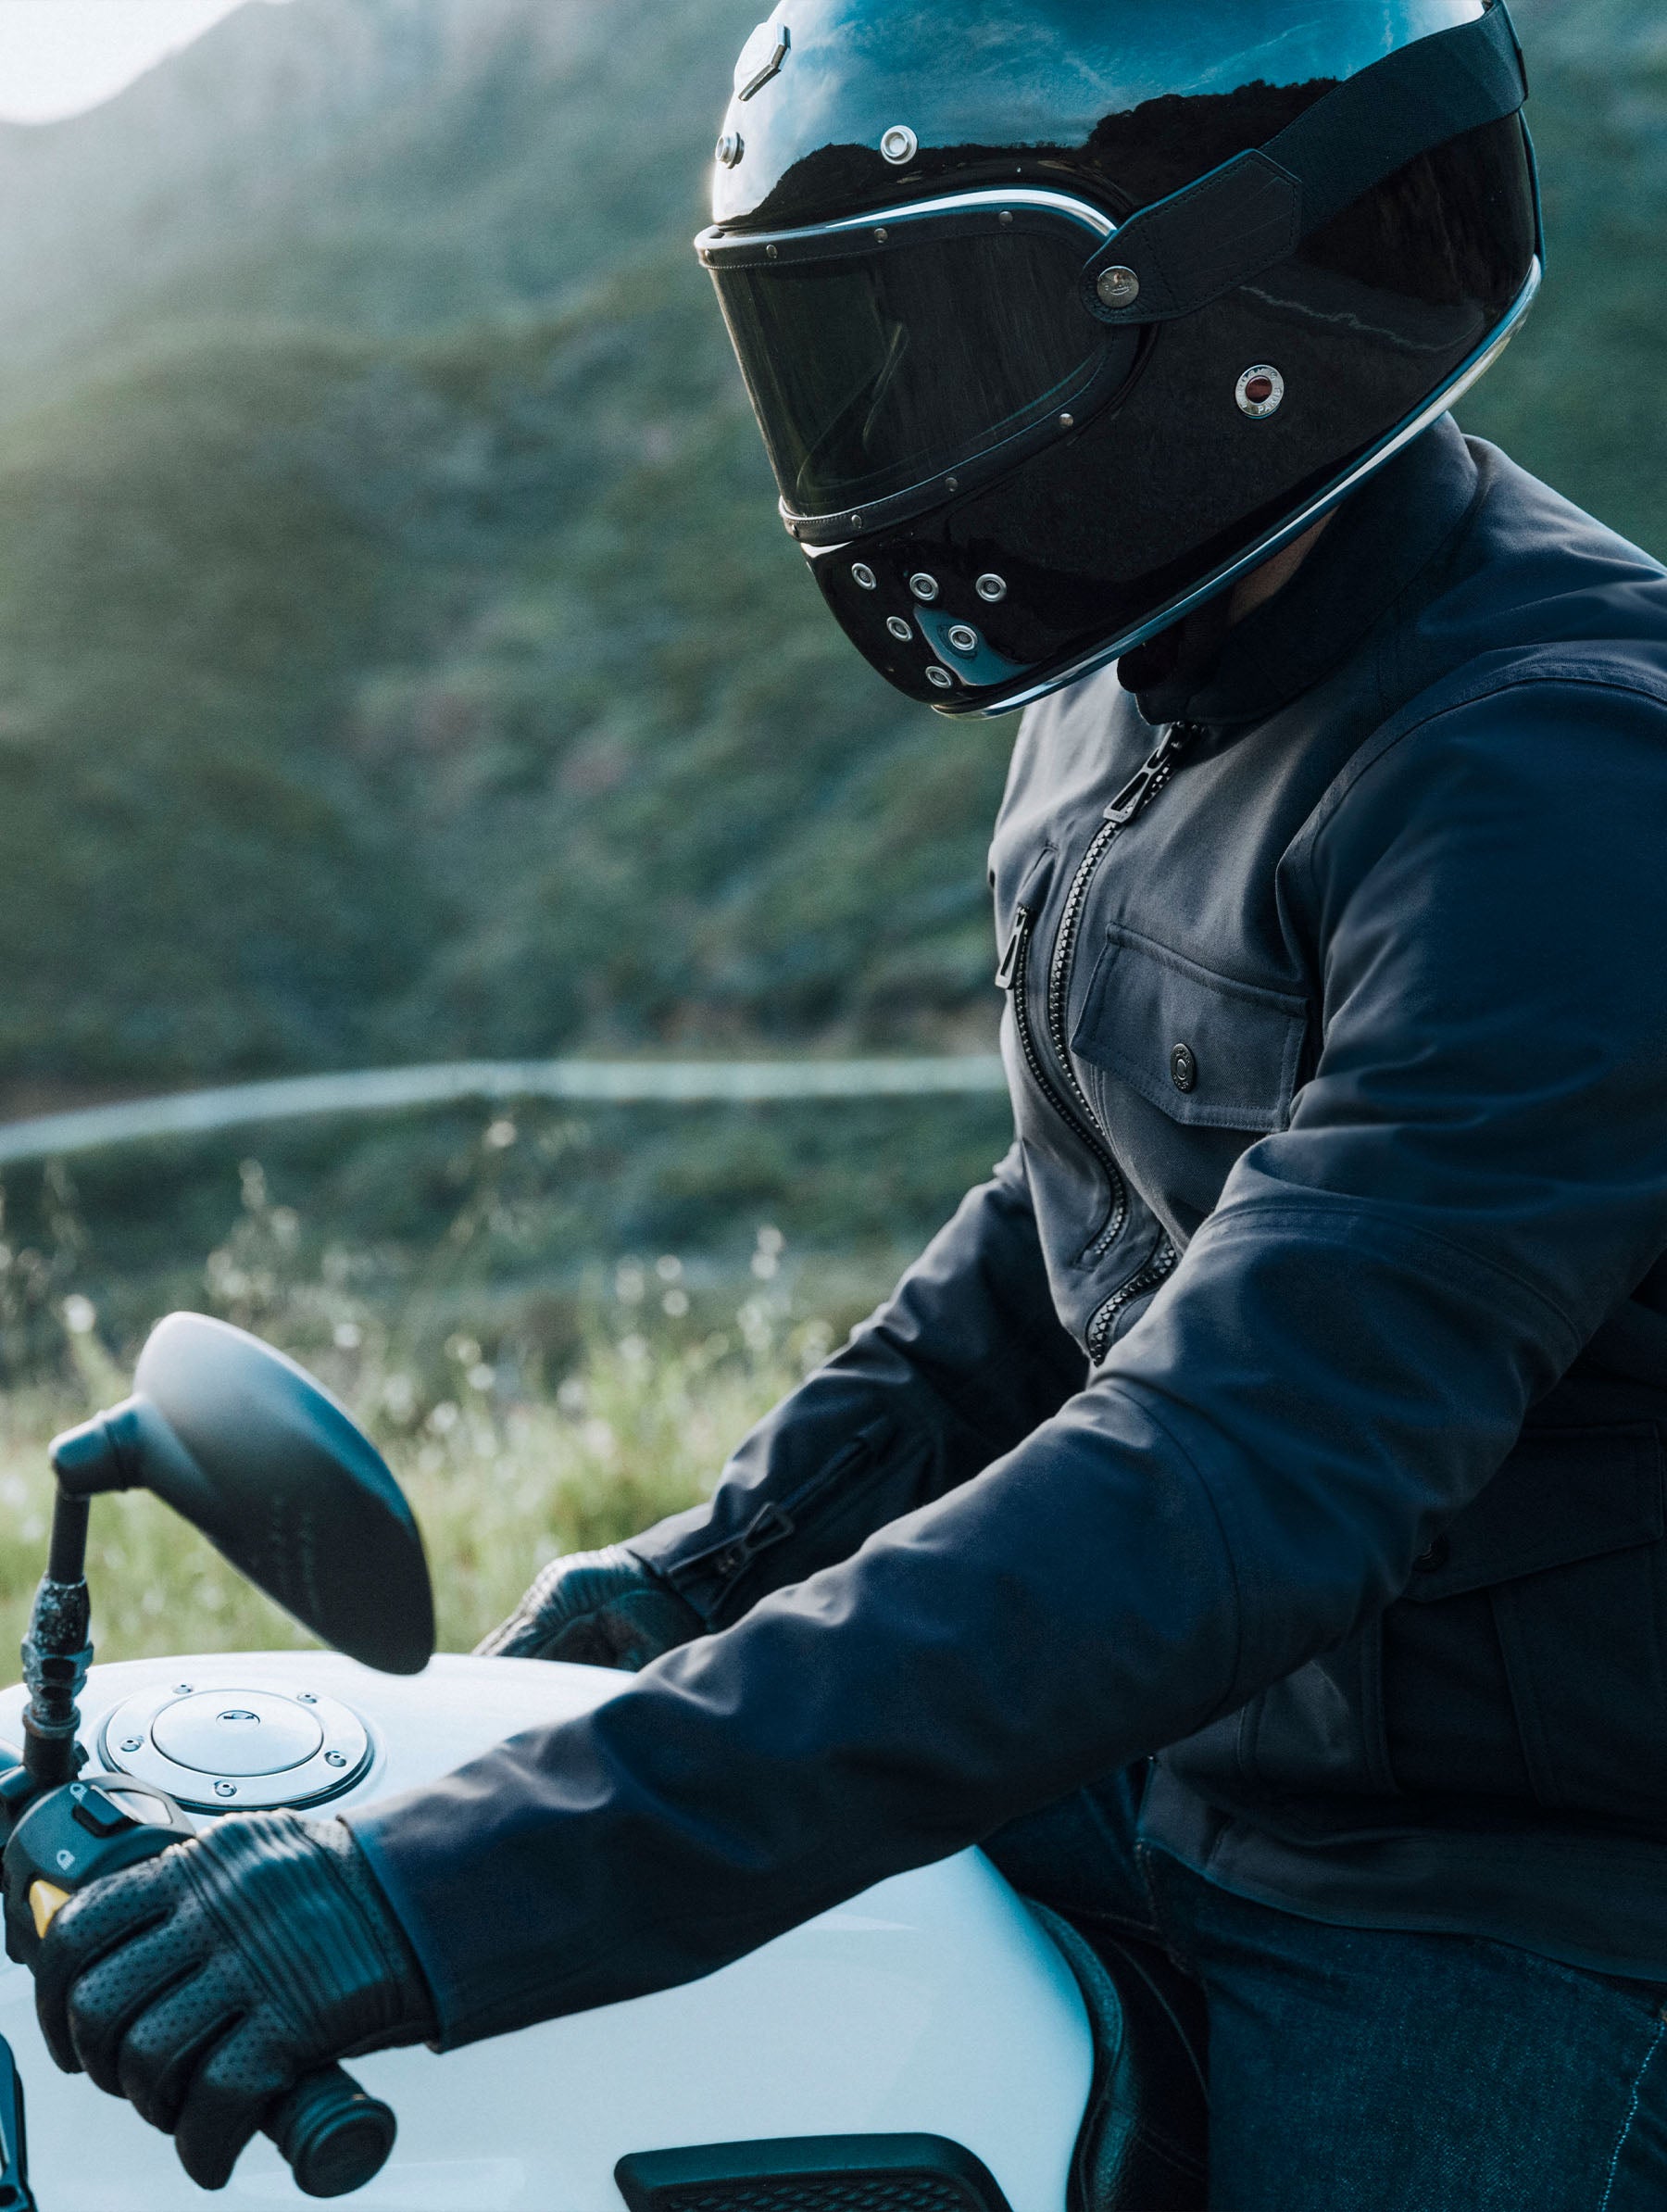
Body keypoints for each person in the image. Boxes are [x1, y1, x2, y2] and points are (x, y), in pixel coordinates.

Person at [31, 2, 1667, 2204]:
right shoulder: (1149, 662)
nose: (900, 429)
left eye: (949, 331)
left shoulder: (1564, 785)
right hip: (1184, 1735)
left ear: (1223, 321)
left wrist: (469, 1892)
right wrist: (666, 1597)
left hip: (1498, 1876)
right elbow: (1064, 1223)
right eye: (849, 348)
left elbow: (1239, 1468)